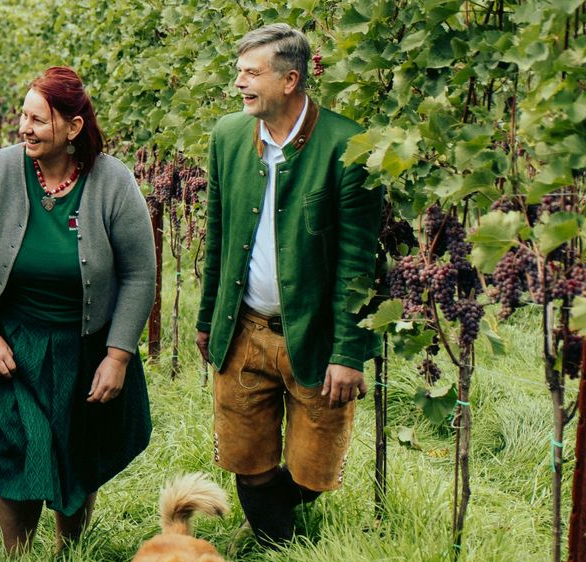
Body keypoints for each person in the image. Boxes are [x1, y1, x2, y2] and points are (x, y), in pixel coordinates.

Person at [195, 23, 381, 548]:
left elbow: (357, 263)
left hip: (315, 337)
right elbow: (217, 234)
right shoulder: (228, 136)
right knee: (246, 459)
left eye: (251, 73)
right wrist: (208, 320)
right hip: (245, 329)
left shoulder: (347, 146)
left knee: (313, 473)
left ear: (290, 80)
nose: (239, 83)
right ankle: (276, 550)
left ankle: (275, 523)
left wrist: (348, 352)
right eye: (239, 72)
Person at [0, 66, 156, 553]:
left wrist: (118, 356)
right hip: (15, 345)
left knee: (75, 451)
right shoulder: (1, 171)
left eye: (37, 120)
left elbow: (139, 273)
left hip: (85, 344)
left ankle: (70, 551)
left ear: (73, 127)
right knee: (18, 448)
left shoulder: (112, 181)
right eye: (23, 116)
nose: (24, 128)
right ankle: (17, 555)